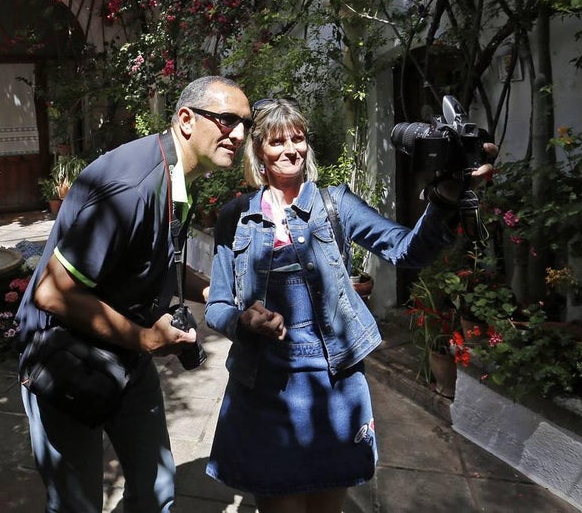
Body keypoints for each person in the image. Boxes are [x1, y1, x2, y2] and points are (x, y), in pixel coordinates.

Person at [204, 98, 495, 513]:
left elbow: (406, 249)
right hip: (263, 387)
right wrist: (242, 319)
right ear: (258, 153)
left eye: (298, 138)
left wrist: (446, 199)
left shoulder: (335, 204)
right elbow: (216, 306)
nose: (292, 149)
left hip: (334, 384)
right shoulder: (235, 218)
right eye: (277, 141)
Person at [15, 75, 253, 513]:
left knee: (155, 490)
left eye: (245, 124)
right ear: (186, 119)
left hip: (124, 349)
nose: (238, 135)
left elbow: (154, 257)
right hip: (64, 357)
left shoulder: (175, 173)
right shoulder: (133, 186)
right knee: (77, 504)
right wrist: (146, 339)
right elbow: (52, 293)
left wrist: (227, 290)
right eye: (226, 120)